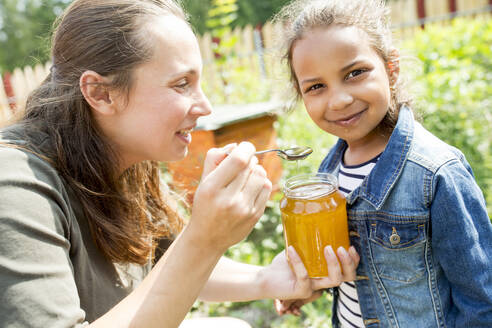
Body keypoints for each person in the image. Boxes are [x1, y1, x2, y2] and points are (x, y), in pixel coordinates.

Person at [0, 1, 363, 327]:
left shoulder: (124, 158)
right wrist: (205, 238)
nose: (205, 106)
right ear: (101, 93)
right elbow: (187, 258)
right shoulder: (14, 186)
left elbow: (167, 265)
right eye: (181, 84)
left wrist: (267, 279)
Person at [272, 0, 492, 327]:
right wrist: (309, 288)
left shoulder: (435, 173)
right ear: (301, 94)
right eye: (316, 86)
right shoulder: (329, 175)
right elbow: (356, 272)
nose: (339, 100)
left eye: (355, 73)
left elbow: (480, 299)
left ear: (391, 69)